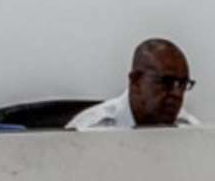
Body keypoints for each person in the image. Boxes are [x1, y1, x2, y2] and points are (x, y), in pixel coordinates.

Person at [70, 38, 199, 130]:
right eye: (166, 82)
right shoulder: (88, 130)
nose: (177, 94)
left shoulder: (191, 130)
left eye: (182, 84)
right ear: (136, 81)